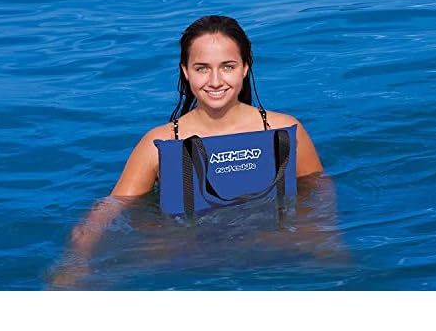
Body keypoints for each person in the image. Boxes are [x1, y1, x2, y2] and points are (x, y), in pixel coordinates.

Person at [52, 15, 326, 285]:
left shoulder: (284, 130)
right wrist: (77, 261)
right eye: (202, 68)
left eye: (227, 67)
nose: (215, 81)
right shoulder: (159, 142)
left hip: (272, 249)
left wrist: (322, 241)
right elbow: (109, 209)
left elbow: (319, 190)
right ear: (185, 71)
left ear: (245, 67)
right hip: (186, 258)